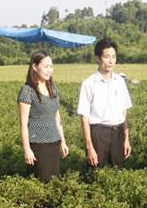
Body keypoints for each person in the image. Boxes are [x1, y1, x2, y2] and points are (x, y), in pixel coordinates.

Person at [77, 38, 132, 169]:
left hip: (118, 132)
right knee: (97, 172)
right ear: (98, 58)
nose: (111, 61)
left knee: (118, 173)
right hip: (98, 133)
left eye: (113, 56)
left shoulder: (120, 81)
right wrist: (89, 146)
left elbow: (124, 111)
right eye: (107, 56)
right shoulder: (89, 83)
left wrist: (126, 139)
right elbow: (84, 117)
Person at [18, 51, 69, 182]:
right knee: (41, 181)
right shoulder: (27, 91)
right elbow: (23, 124)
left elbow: (57, 118)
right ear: (34, 67)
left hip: (54, 142)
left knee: (54, 181)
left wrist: (62, 141)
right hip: (38, 145)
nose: (49, 70)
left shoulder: (52, 88)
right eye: (46, 66)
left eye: (51, 66)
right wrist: (26, 149)